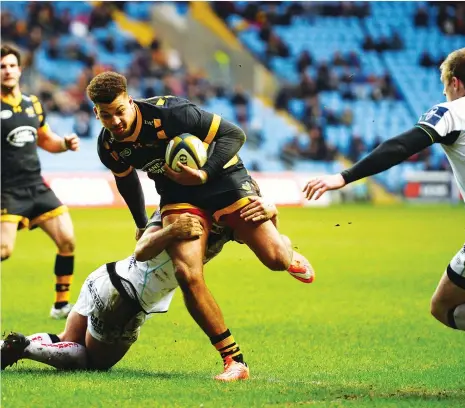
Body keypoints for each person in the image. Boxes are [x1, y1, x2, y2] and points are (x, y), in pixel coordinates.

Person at [86, 72, 314, 380]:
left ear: (130, 100)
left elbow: (234, 135)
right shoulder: (109, 146)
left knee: (275, 260)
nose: (114, 121)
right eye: (105, 115)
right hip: (178, 195)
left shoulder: (172, 113)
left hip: (224, 180)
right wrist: (141, 223)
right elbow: (126, 180)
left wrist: (204, 173)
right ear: (95, 112)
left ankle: (283, 244)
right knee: (186, 273)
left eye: (119, 111)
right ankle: (234, 361)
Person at [1, 197, 295, 382]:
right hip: (124, 301)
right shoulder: (180, 212)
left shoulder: (191, 207)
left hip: (107, 277)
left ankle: (8, 347)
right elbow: (142, 248)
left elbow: (269, 243)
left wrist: (273, 212)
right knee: (91, 363)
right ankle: (27, 347)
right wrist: (173, 231)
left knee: (66, 339)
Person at [303, 47, 465, 336]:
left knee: (444, 306)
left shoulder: (453, 111)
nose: (445, 94)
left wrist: (344, 176)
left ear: (455, 82)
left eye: (445, 87)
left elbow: (401, 146)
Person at [1, 45, 80, 319]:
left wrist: (65, 144)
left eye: (11, 65)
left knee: (67, 239)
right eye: (2, 67)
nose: (7, 71)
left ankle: (60, 305)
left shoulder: (32, 103)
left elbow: (46, 140)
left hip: (36, 185)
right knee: (4, 250)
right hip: (6, 190)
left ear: (20, 70)